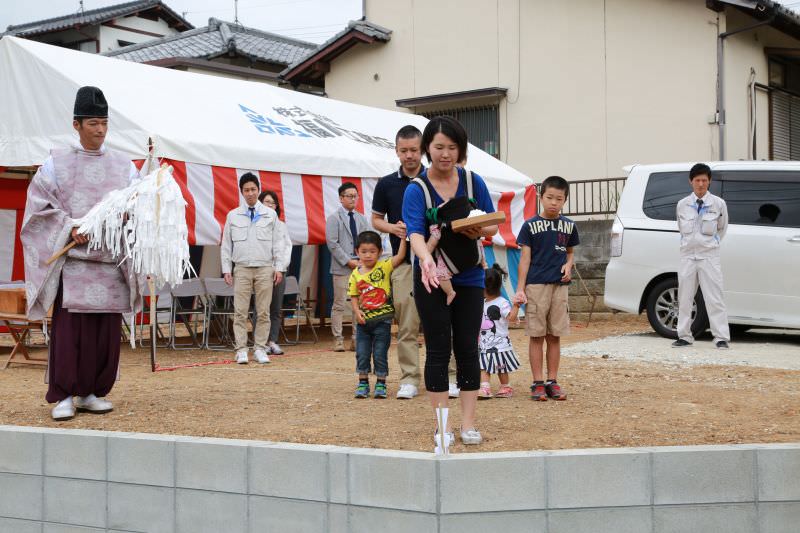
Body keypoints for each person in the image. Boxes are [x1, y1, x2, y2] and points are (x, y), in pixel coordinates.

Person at [21, 86, 141, 421]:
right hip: (73, 265)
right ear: (76, 124)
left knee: (103, 335)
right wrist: (70, 228)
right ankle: (63, 395)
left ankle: (90, 392)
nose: (100, 130)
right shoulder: (55, 163)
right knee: (70, 333)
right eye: (93, 123)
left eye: (104, 122)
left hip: (109, 264)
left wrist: (121, 220)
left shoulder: (124, 166)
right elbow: (38, 208)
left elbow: (135, 207)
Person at [403, 116, 498, 447]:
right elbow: (414, 231)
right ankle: (442, 425)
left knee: (468, 347)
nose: (445, 154)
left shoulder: (474, 182)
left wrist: (476, 229)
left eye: (452, 147)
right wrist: (425, 259)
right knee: (438, 348)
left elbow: (492, 226)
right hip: (430, 276)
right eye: (439, 147)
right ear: (428, 148)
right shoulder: (417, 189)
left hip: (470, 276)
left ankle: (468, 423)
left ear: (461, 150)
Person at [373, 125, 459, 399]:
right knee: (407, 323)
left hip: (443, 261)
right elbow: (375, 219)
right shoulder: (386, 184)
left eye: (413, 150)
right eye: (403, 151)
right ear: (396, 151)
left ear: (422, 149)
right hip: (405, 262)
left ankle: (451, 376)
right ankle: (409, 378)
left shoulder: (436, 176)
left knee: (447, 322)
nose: (409, 155)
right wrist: (393, 229)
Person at [514, 176, 579, 401]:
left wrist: (569, 265)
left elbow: (570, 252)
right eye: (550, 197)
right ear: (541, 197)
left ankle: (553, 381)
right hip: (536, 286)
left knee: (555, 335)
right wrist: (520, 289)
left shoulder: (569, 225)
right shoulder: (530, 225)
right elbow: (524, 259)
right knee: (536, 335)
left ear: (565, 200)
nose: (554, 202)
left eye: (559, 199)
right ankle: (537, 383)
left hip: (560, 287)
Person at [221, 173, 286, 364]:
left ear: (258, 190)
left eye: (253, 189)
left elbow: (278, 244)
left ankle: (260, 348)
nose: (250, 193)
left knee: (263, 311)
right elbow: (226, 244)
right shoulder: (233, 215)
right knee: (240, 311)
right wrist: (226, 268)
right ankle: (241, 349)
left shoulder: (270, 214)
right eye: (246, 190)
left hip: (265, 268)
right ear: (241, 192)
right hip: (241, 268)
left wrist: (279, 267)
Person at [673, 163, 730, 349]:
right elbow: (681, 229)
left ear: (709, 181)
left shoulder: (718, 204)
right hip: (688, 256)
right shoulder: (682, 205)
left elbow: (721, 229)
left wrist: (708, 244)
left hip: (709, 257)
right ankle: (684, 335)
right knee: (685, 297)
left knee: (715, 297)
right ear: (691, 181)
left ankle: (721, 337)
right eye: (697, 180)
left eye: (704, 180)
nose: (700, 184)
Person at [349, 231, 407, 398]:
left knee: (380, 352)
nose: (368, 255)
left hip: (383, 321)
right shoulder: (355, 274)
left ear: (380, 252)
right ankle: (363, 383)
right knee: (362, 352)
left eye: (372, 251)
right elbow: (353, 295)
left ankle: (381, 383)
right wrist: (356, 310)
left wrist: (403, 238)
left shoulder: (384, 266)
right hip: (363, 323)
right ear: (357, 251)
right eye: (364, 251)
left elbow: (401, 256)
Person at [326, 182, 369, 352]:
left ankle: (356, 338)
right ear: (341, 198)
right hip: (342, 267)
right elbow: (332, 243)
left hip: (360, 267)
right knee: (339, 303)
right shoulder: (334, 218)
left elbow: (367, 239)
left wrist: (363, 260)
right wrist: (348, 261)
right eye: (349, 196)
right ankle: (337, 338)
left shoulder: (361, 218)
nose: (353, 199)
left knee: (358, 304)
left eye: (355, 196)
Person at [478, 264, 521, 399]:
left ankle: (505, 387)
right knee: (483, 365)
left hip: (500, 344)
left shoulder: (502, 302)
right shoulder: (482, 302)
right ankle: (485, 388)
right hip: (484, 343)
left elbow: (511, 318)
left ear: (484, 287)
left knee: (501, 367)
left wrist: (516, 305)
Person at [259, 190, 293, 355]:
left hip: (280, 271)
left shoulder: (281, 225)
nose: (270, 205)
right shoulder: (256, 223)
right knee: (262, 308)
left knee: (275, 308)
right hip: (262, 271)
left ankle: (272, 340)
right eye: (267, 202)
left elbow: (288, 248)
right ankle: (261, 342)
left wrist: (280, 267)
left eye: (273, 202)